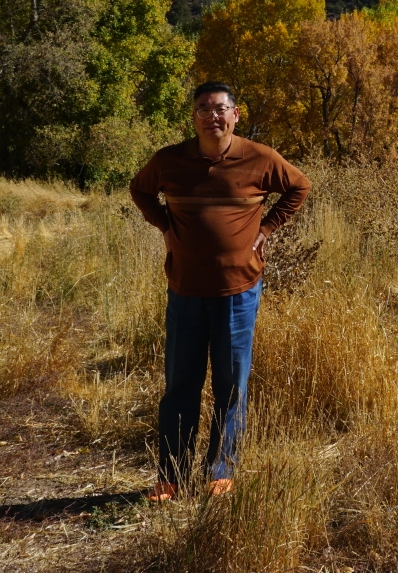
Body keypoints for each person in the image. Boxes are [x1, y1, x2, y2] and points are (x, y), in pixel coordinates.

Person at [129, 81, 311, 501]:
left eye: (220, 108)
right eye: (203, 108)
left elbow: (299, 186)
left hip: (238, 290)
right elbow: (140, 189)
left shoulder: (259, 158)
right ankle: (170, 476)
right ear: (193, 117)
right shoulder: (169, 160)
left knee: (231, 383)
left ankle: (220, 470)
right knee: (180, 385)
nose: (212, 115)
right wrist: (165, 225)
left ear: (235, 114)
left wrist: (267, 228)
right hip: (185, 290)